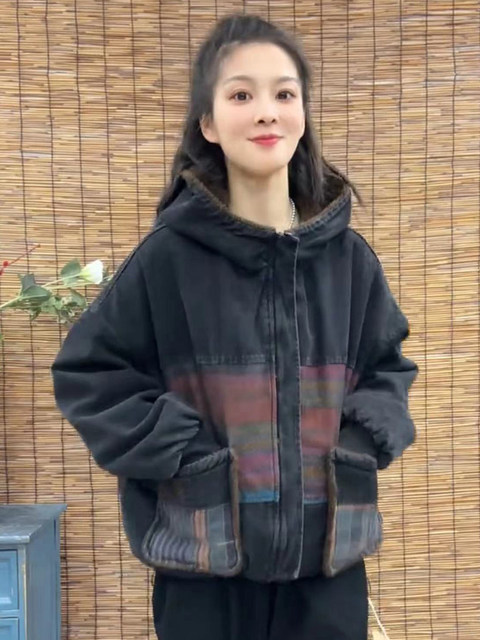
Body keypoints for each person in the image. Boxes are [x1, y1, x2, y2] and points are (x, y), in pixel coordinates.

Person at [51, 13, 418, 640]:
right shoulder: (167, 259)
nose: (267, 112)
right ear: (209, 123)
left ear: (302, 114)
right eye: (242, 95)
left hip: (328, 571)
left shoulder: (348, 261)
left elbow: (388, 369)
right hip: (204, 571)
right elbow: (90, 374)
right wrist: (186, 451)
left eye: (284, 94)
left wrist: (356, 444)